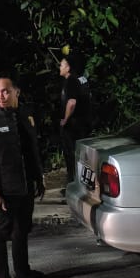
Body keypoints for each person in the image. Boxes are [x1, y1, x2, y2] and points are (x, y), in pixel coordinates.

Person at [0, 74, 46, 278]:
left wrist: (39, 178)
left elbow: (32, 149)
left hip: (26, 183)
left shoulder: (27, 115)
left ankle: (23, 271)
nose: (1, 95)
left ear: (16, 92)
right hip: (6, 186)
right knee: (2, 232)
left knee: (22, 228)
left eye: (6, 91)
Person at [58, 53, 93, 189]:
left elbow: (72, 102)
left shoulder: (71, 81)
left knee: (72, 155)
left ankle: (73, 184)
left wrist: (65, 120)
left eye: (62, 65)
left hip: (73, 125)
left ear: (68, 67)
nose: (59, 67)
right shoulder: (82, 79)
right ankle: (82, 184)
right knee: (82, 155)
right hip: (83, 124)